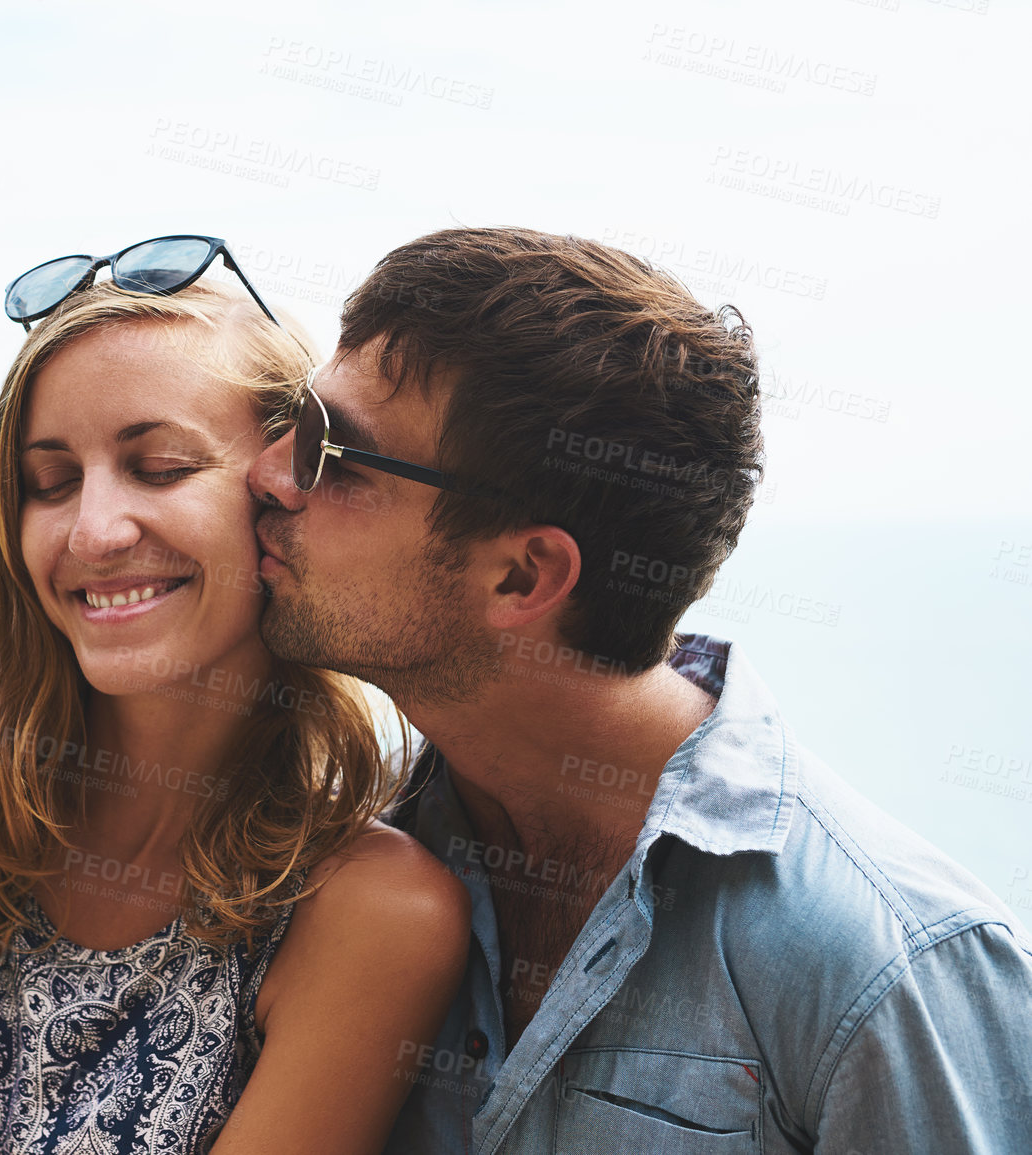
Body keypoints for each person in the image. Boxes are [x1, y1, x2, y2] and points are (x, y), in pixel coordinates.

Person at [245, 226, 1032, 1153]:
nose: (265, 472)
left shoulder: (885, 963)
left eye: (330, 455)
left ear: (523, 577)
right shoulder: (341, 867)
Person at [0, 242, 470, 1155]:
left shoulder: (368, 911)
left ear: (279, 491)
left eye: (158, 468)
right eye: (51, 481)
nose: (94, 530)